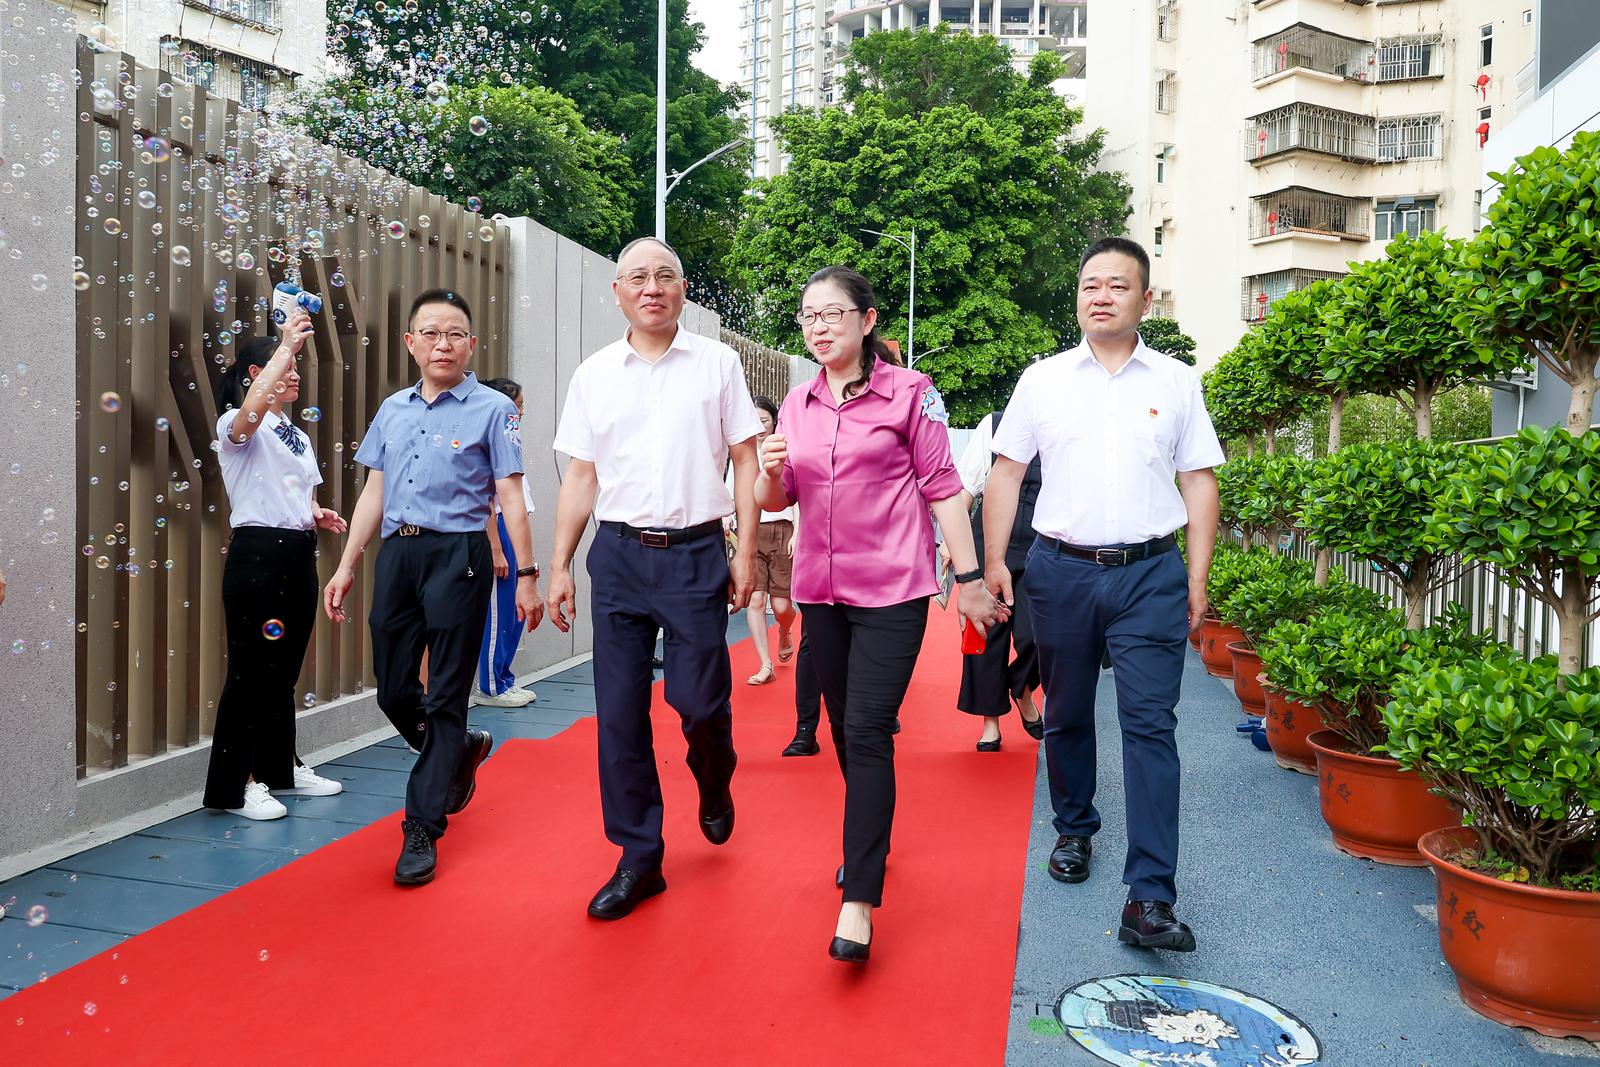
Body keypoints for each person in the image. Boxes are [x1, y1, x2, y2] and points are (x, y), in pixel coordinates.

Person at [756, 266, 1006, 964]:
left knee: (867, 729)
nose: (818, 326)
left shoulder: (912, 394)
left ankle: (858, 896)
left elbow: (944, 486)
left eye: (833, 313)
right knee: (844, 727)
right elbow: (778, 497)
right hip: (820, 593)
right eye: (808, 315)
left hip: (893, 590)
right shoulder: (797, 403)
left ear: (866, 321)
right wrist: (770, 466)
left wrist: (970, 575)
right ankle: (874, 834)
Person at [982, 237, 1223, 953]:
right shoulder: (1044, 379)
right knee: (1069, 711)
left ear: (1145, 299)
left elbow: (1200, 479)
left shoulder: (1177, 381)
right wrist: (994, 560)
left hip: (1151, 573)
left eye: (1117, 285)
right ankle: (1074, 827)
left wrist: (1199, 578)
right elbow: (1005, 471)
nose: (1100, 295)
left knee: (1152, 726)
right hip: (1061, 571)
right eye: (1090, 284)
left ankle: (1149, 895)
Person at [547, 237, 763, 921]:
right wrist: (559, 565)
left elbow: (745, 460)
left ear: (682, 288)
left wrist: (746, 551)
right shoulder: (594, 375)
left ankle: (714, 773)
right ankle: (639, 855)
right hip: (616, 557)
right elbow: (580, 476)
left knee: (700, 704)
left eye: (664, 276)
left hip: (697, 551)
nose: (651, 287)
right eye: (637, 277)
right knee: (618, 714)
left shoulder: (717, 363)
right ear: (618, 292)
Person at [324, 288, 544, 886]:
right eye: (431, 333)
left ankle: (421, 828)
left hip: (460, 554)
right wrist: (347, 564)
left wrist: (527, 575)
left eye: (454, 334)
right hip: (399, 553)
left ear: (470, 344)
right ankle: (460, 747)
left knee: (445, 692)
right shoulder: (392, 410)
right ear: (411, 342)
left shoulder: (494, 409)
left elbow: (511, 496)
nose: (442, 344)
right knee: (394, 689)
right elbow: (374, 491)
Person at [205, 318, 348, 821]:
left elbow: (296, 495)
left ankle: (278, 771)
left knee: (283, 672)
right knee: (249, 673)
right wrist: (286, 344)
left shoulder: (297, 436)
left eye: (294, 364)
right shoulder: (233, 423)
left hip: (296, 552)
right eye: (283, 364)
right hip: (256, 553)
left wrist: (315, 513)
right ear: (255, 372)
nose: (294, 373)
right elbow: (248, 423)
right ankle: (234, 785)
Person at [946, 408, 1045, 751]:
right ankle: (990, 723)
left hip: (1043, 546)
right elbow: (966, 487)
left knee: (1042, 635)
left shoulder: (1065, 424)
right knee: (987, 632)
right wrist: (950, 541)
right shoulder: (995, 423)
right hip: (988, 542)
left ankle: (1022, 688)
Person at [476, 376, 540, 708]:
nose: (521, 412)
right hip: (498, 531)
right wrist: (495, 548)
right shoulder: (488, 441)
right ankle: (489, 686)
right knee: (498, 610)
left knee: (516, 607)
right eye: (518, 405)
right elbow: (487, 499)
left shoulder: (508, 441)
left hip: (513, 531)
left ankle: (504, 678)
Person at [727, 395, 797, 685]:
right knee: (756, 600)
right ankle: (765, 664)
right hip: (751, 533)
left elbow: (798, 493)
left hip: (783, 532)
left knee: (782, 607)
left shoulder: (785, 448)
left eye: (764, 421)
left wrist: (799, 532)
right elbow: (731, 494)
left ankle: (783, 631)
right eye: (754, 421)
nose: (759, 427)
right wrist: (726, 519)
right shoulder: (742, 455)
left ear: (774, 420)